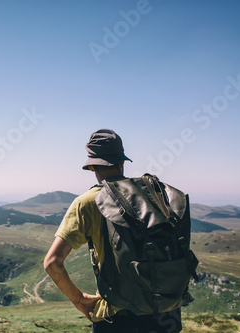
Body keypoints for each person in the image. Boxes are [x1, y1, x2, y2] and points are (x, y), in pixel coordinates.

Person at [43, 129, 182, 333]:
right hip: (167, 312)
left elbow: (52, 263)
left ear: (91, 166)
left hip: (118, 317)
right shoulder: (155, 195)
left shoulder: (88, 202)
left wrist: (79, 300)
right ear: (122, 162)